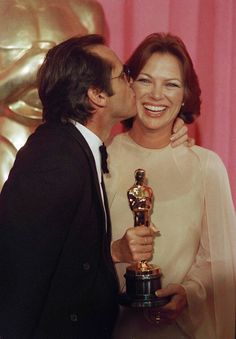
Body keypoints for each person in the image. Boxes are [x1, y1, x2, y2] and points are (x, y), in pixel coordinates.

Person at [0, 33, 161, 339]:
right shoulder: (54, 159)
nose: (132, 82)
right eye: (123, 73)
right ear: (98, 95)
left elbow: (67, 258)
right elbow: (19, 278)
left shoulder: (71, 149)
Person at [106, 33, 236, 339]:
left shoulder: (206, 167)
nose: (156, 95)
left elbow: (218, 261)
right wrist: (114, 251)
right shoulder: (100, 159)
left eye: (171, 84)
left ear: (185, 95)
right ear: (128, 85)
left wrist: (189, 293)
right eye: (146, 80)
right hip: (109, 327)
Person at [0, 0, 107, 190]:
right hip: (7, 138)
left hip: (68, 146)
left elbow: (104, 90)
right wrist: (23, 72)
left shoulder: (86, 11)